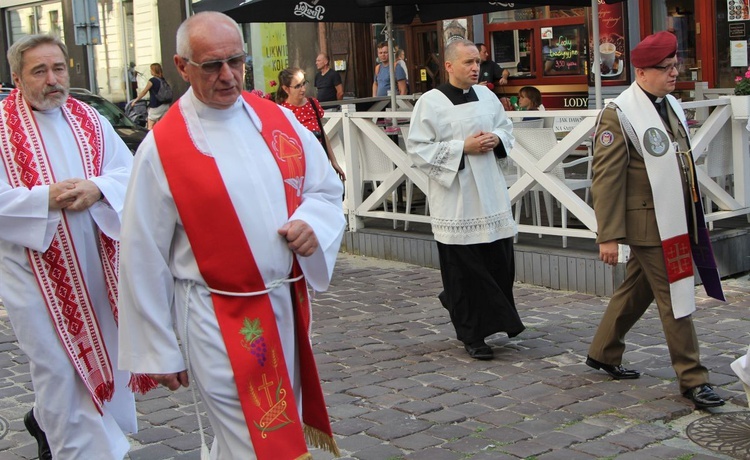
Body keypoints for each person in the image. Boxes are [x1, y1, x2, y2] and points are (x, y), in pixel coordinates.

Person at [117, 12, 344, 459]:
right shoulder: (163, 149)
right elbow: (142, 252)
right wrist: (157, 349)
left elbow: (324, 187)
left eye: (235, 61)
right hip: (218, 318)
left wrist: (313, 224)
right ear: (182, 67)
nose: (228, 75)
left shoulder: (276, 119)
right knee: (258, 437)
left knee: (257, 435)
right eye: (211, 65)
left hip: (286, 305)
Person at [0, 34, 139, 459]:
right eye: (39, 71)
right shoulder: (2, 127)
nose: (52, 80)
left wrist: (97, 188)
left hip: (95, 267)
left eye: (58, 69)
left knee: (100, 357)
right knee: (58, 368)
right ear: (17, 77)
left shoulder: (89, 118)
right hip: (31, 273)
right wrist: (44, 198)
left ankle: (45, 420)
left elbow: (128, 172)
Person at [585, 31, 726, 409]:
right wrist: (608, 236)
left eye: (676, 64)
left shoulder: (670, 104)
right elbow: (607, 180)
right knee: (675, 296)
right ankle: (693, 379)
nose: (674, 72)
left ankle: (603, 351)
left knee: (638, 289)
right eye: (665, 68)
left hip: (674, 216)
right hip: (649, 224)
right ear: (642, 71)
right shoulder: (620, 113)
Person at [406, 38, 524, 360]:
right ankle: (472, 335)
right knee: (464, 269)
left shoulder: (487, 95)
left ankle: (466, 305)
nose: (476, 67)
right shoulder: (430, 103)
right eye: (468, 62)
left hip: (490, 192)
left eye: (477, 61)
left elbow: (506, 128)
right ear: (448, 66)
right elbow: (417, 148)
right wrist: (462, 149)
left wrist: (497, 138)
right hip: (457, 199)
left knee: (499, 264)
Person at [277, 67, 346, 180]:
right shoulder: (283, 110)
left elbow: (322, 133)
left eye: (304, 83)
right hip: (300, 165)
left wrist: (334, 161)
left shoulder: (312, 103)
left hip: (320, 159)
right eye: (298, 86)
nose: (303, 89)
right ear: (286, 89)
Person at [131, 62, 170, 130]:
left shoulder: (152, 81)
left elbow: (144, 92)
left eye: (151, 69)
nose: (150, 71)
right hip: (165, 105)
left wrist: (135, 100)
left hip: (156, 107)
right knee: (163, 126)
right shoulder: (163, 80)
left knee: (150, 126)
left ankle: (150, 140)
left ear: (154, 70)